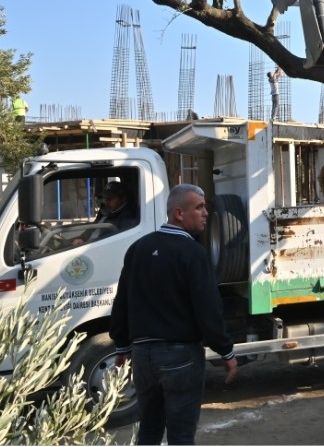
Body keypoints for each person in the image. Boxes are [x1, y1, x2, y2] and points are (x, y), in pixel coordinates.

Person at [110, 184, 237, 445]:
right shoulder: (193, 253)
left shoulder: (138, 249)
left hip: (143, 358)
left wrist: (121, 344)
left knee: (149, 432)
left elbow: (122, 300)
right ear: (179, 213)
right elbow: (208, 309)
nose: (205, 213)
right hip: (180, 358)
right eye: (199, 207)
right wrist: (226, 351)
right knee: (180, 437)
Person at [74, 181, 137, 245]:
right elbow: (94, 226)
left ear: (123, 198)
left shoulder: (128, 219)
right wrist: (82, 238)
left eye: (110, 198)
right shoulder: (106, 211)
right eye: (105, 198)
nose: (106, 202)